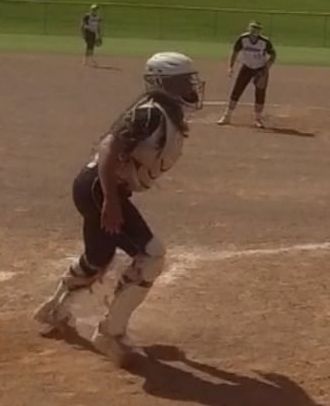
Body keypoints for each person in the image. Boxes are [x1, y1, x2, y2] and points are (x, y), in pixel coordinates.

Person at [34, 51, 204, 363]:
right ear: (163, 83)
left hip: (97, 188)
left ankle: (54, 309)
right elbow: (108, 147)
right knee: (151, 255)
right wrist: (111, 202)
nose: (190, 86)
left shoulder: (164, 113)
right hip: (99, 189)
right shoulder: (150, 114)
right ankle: (111, 334)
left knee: (98, 257)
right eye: (183, 81)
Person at [218, 21, 277, 127]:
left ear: (260, 31)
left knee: (260, 93)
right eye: (253, 28)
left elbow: (273, 55)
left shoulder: (265, 41)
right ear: (249, 28)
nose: (255, 31)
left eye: (257, 29)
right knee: (237, 90)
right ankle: (227, 116)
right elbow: (235, 52)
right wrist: (230, 67)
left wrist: (266, 67)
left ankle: (258, 119)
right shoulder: (243, 39)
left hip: (260, 69)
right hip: (247, 67)